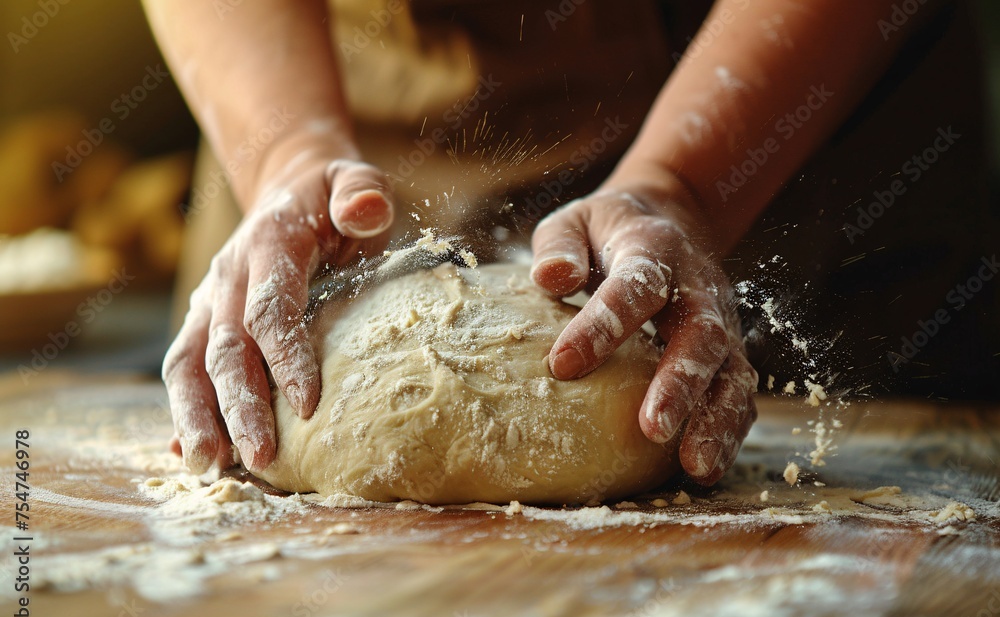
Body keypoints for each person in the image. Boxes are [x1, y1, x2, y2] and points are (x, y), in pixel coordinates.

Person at [143, 0, 995, 487]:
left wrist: (685, 186)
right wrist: (288, 154)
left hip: (784, 124)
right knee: (279, 385)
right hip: (322, 112)